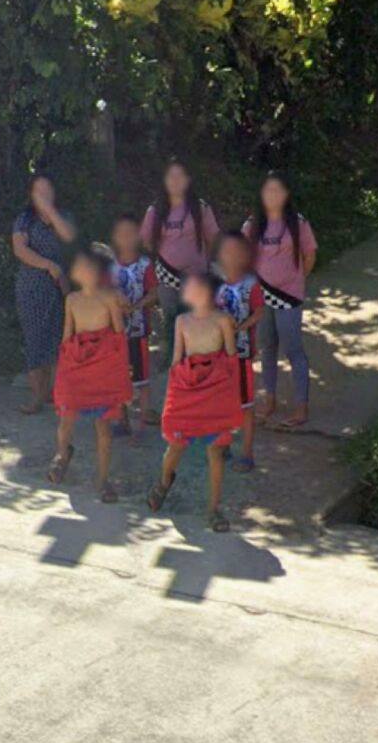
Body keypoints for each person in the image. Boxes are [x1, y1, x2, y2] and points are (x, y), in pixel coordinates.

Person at [147, 274, 241, 531]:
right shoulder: (181, 320)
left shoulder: (222, 320)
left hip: (215, 388)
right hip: (187, 386)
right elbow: (177, 360)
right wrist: (174, 395)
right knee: (175, 445)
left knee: (215, 451)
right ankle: (164, 481)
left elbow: (231, 359)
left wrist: (229, 400)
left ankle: (213, 509)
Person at [49, 250, 131, 502]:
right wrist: (63, 366)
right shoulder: (71, 299)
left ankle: (103, 479)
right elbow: (67, 335)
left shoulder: (109, 298)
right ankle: (62, 455)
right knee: (65, 418)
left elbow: (118, 336)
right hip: (76, 361)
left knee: (103, 427)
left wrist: (118, 373)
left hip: (102, 364)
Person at [243, 172, 317, 428]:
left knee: (294, 350)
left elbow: (309, 255)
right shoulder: (252, 225)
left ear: (286, 195)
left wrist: (294, 282)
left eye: (278, 190)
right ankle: (269, 400)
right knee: (267, 348)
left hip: (289, 298)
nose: (272, 196)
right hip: (261, 299)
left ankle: (300, 406)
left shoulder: (298, 223)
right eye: (268, 191)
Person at [140, 159, 219, 357]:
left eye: (179, 176)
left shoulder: (200, 208)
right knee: (172, 320)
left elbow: (214, 239)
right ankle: (173, 365)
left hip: (197, 277)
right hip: (167, 277)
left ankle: (199, 361)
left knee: (197, 322)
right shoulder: (155, 210)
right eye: (170, 177)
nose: (175, 181)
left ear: (188, 180)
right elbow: (146, 241)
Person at [12, 174, 76, 414]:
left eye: (47, 189)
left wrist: (51, 212)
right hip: (33, 285)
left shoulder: (64, 216)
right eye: (38, 190)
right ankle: (36, 396)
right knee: (35, 339)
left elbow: (69, 237)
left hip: (62, 286)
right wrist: (47, 265)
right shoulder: (24, 220)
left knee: (60, 339)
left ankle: (55, 392)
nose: (43, 194)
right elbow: (20, 249)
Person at [216, 231, 265, 471]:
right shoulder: (217, 285)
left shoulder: (251, 284)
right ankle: (223, 445)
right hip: (218, 355)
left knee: (245, 405)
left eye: (237, 250)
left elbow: (258, 311)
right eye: (226, 250)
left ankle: (246, 453)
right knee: (221, 401)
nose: (231, 255)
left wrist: (241, 326)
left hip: (242, 354)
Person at [109, 213, 158, 441]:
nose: (126, 238)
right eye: (122, 233)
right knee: (118, 377)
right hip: (115, 333)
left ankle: (140, 425)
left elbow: (153, 293)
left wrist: (137, 305)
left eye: (131, 233)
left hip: (138, 331)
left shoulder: (145, 265)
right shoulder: (110, 265)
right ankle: (121, 419)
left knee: (141, 380)